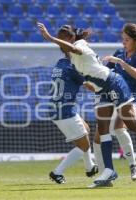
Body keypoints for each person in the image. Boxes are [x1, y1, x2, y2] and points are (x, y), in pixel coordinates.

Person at [37, 22, 136, 187]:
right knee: (102, 130)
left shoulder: (79, 45)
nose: (61, 43)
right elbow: (88, 69)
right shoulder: (70, 58)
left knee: (128, 123)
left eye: (63, 39)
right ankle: (109, 171)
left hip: (113, 84)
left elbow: (75, 49)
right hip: (103, 89)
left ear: (72, 38)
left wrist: (50, 37)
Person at [93, 23, 136, 181]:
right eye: (122, 39)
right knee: (98, 136)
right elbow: (106, 75)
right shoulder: (118, 53)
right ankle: (105, 173)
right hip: (114, 98)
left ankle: (133, 166)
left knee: (119, 126)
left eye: (126, 39)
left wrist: (121, 63)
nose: (123, 42)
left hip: (133, 99)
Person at [48, 55, 98, 184]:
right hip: (65, 111)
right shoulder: (73, 68)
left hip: (58, 107)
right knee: (84, 146)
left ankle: (90, 167)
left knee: (85, 128)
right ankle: (57, 172)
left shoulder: (60, 63)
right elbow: (92, 87)